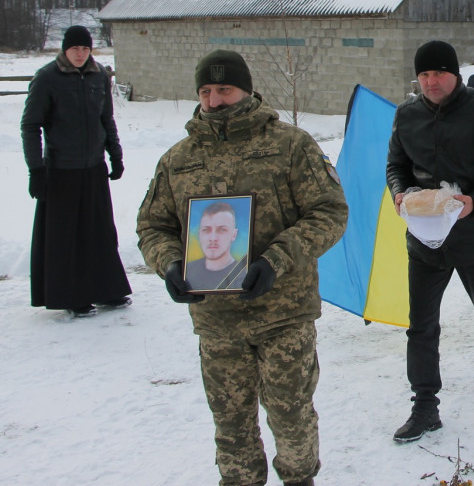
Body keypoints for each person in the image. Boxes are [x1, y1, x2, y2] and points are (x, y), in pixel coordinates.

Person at [136, 50, 348, 486]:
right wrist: (171, 264)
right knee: (231, 426)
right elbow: (153, 226)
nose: (214, 100)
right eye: (206, 91)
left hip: (282, 314)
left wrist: (276, 260)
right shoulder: (179, 159)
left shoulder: (291, 145)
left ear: (247, 90)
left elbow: (329, 213)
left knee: (291, 417)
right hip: (217, 322)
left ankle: (299, 478)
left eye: (224, 89)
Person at [386, 41, 474, 444]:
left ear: (454, 73)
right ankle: (425, 405)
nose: (431, 81)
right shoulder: (407, 115)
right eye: (424, 75)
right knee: (422, 326)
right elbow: (396, 166)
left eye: (439, 73)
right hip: (425, 241)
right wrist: (400, 192)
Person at [21, 25, 130, 318]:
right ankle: (72, 295)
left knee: (100, 231)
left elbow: (106, 119)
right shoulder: (47, 79)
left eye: (85, 49)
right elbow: (30, 126)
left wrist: (115, 155)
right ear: (65, 50)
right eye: (75, 49)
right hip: (61, 170)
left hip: (93, 167)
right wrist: (36, 170)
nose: (80, 54)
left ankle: (107, 289)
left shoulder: (99, 77)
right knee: (65, 237)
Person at [185, 201, 248, 291]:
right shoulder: (187, 272)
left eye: (222, 230)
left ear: (234, 235)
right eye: (206, 230)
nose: (213, 238)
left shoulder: (245, 275)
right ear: (199, 234)